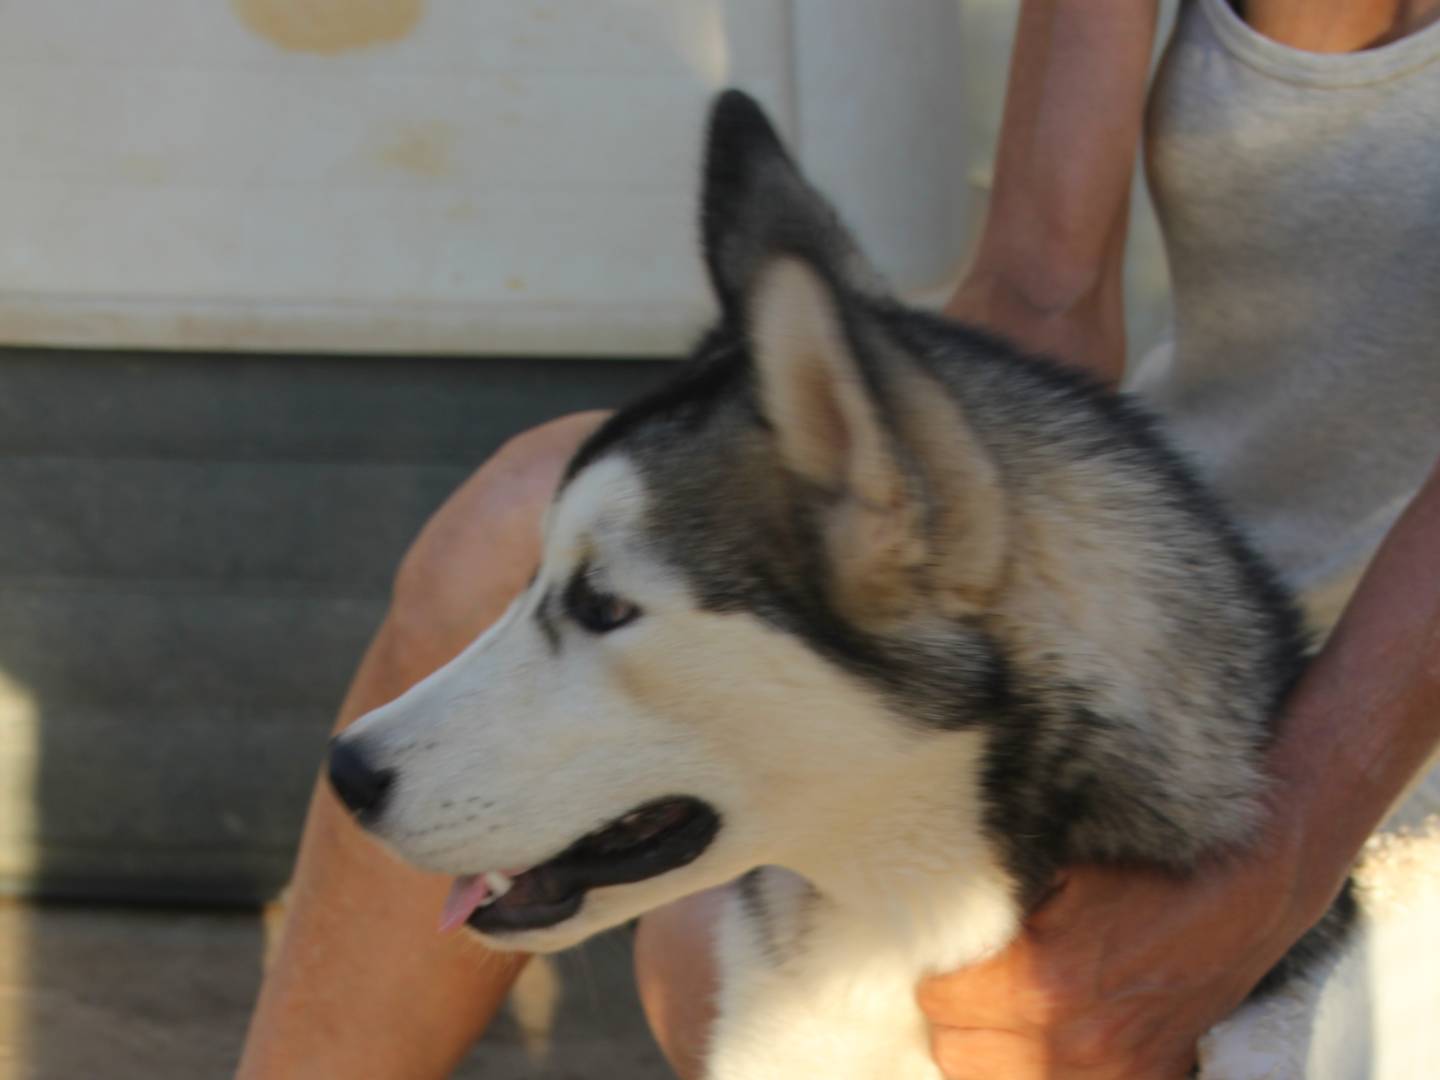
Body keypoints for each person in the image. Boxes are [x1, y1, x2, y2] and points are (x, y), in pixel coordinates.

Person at [237, 0, 1440, 1076]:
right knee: (528, 514)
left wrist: (1265, 875)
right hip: (1147, 624)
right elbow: (1038, 295)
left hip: (1377, 754)